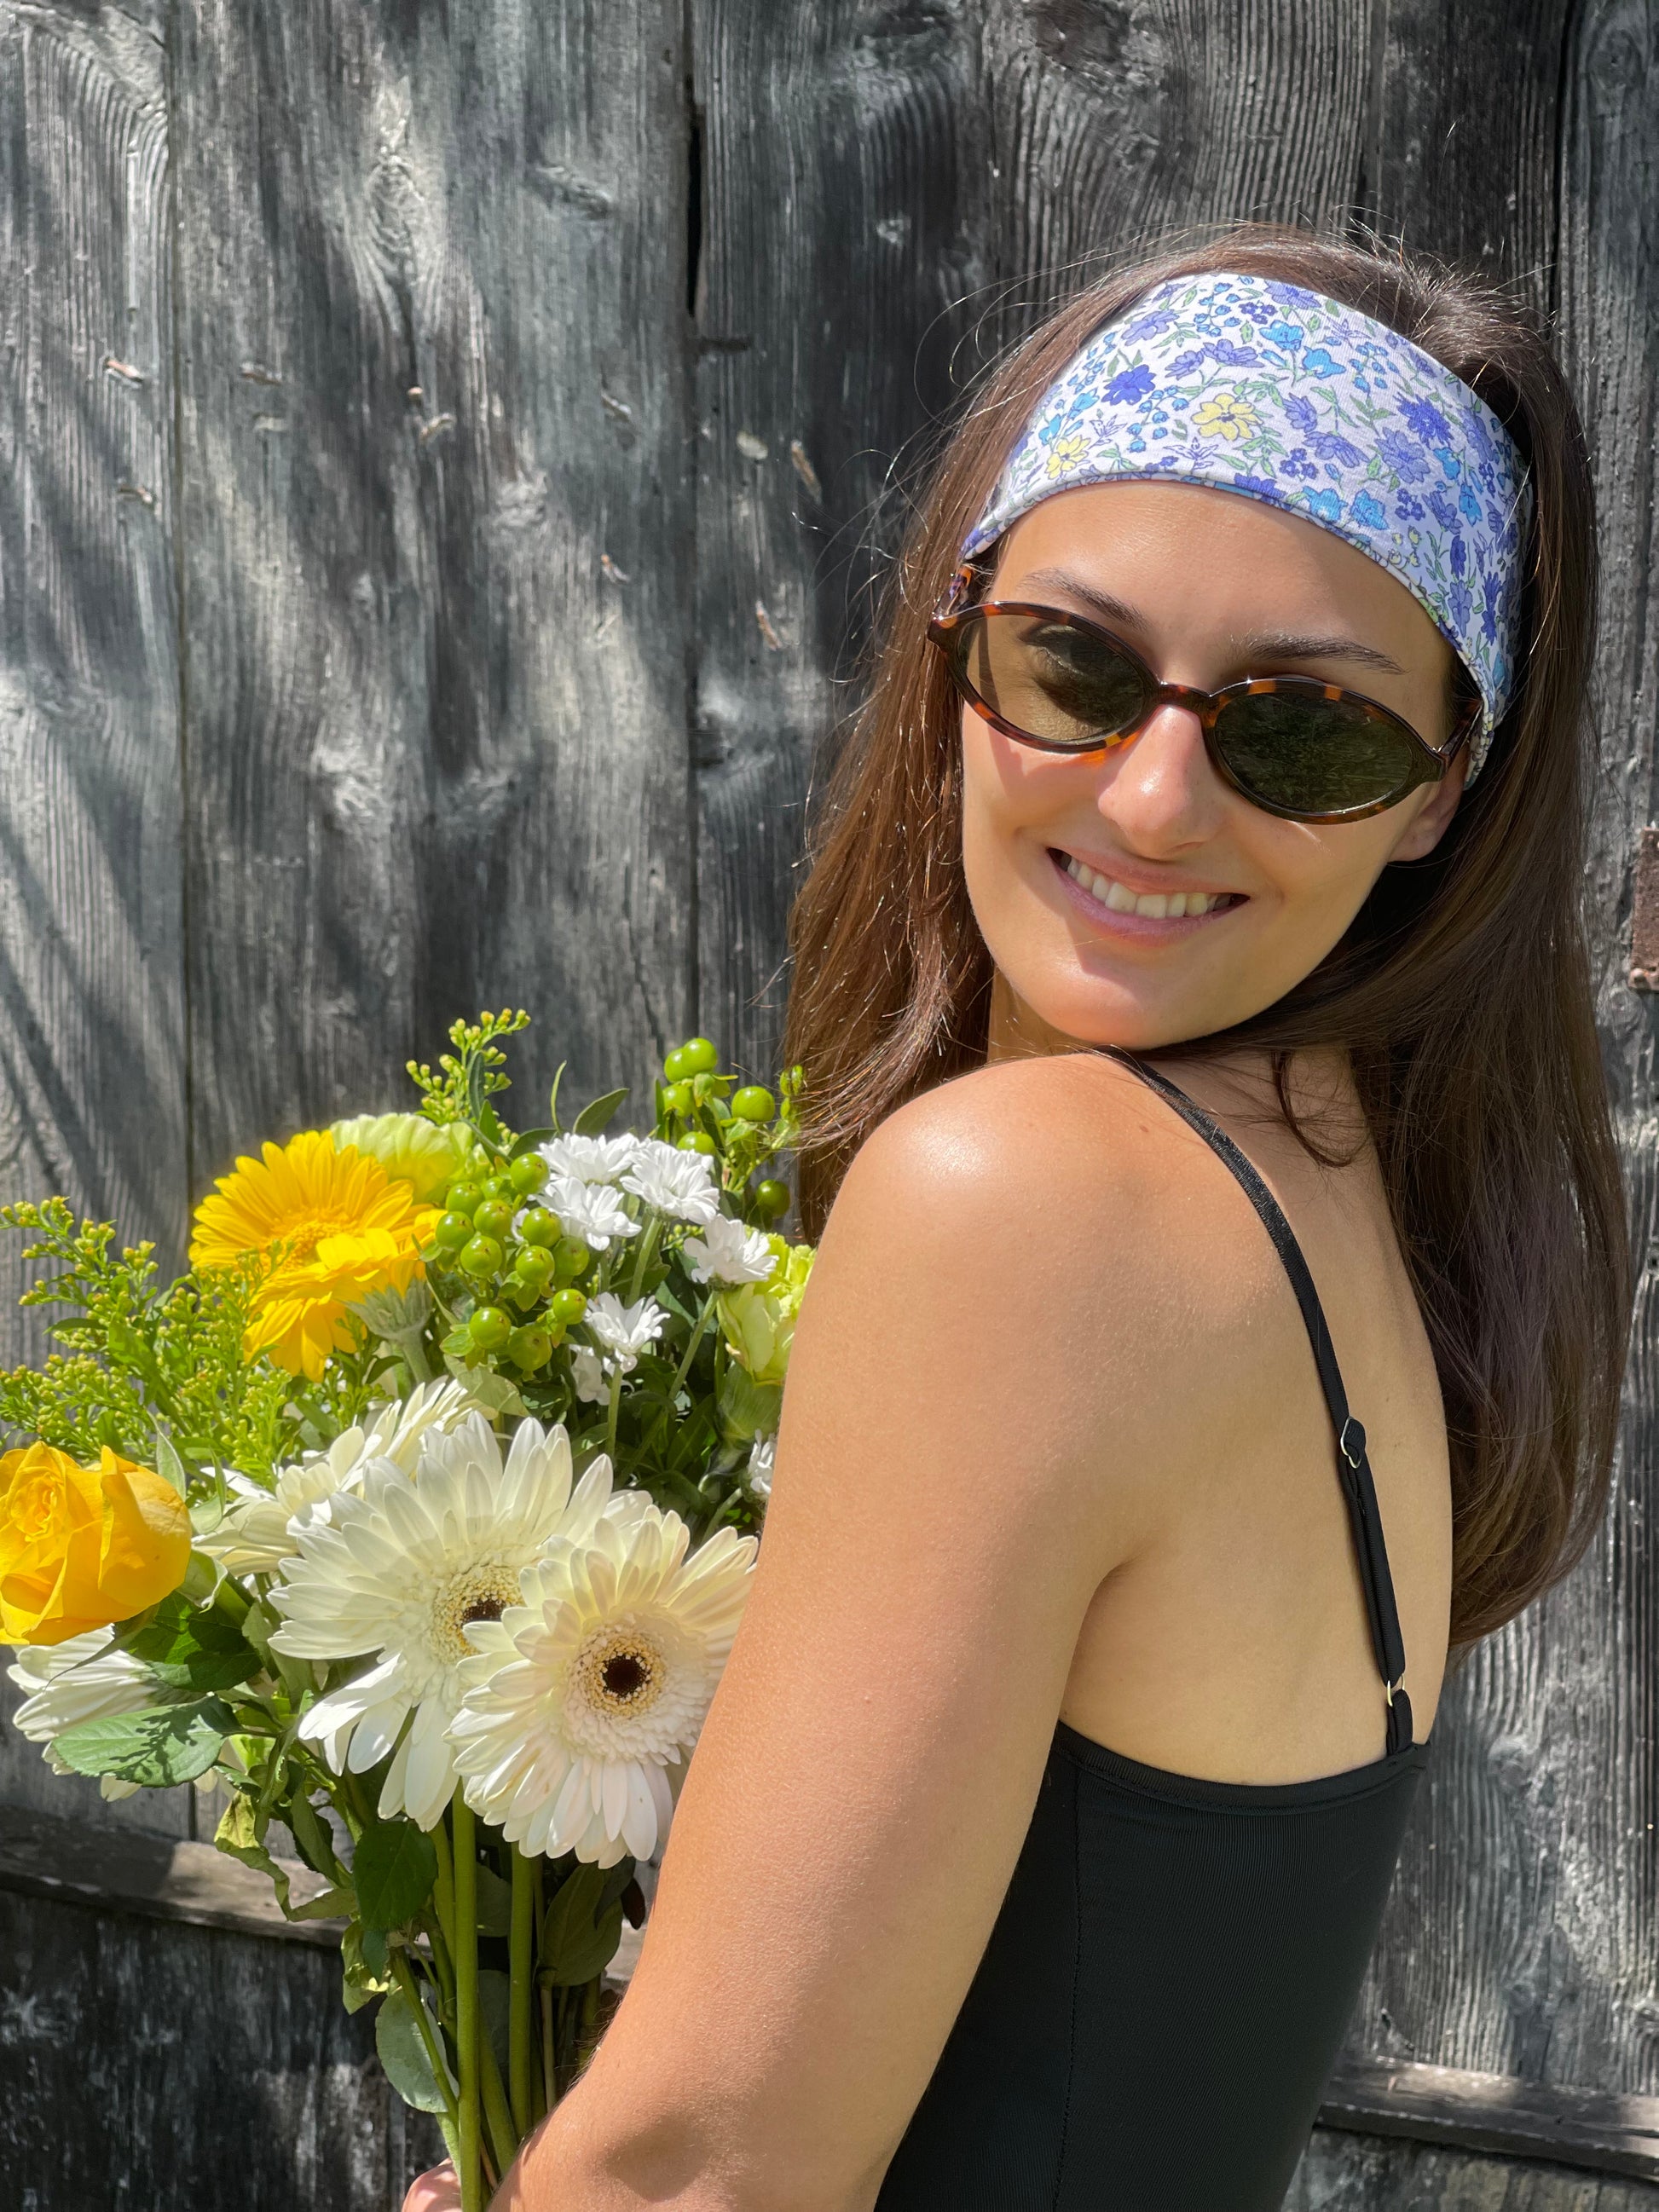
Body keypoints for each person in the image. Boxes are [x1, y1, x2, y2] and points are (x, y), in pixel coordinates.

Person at [405, 228, 1628, 2211]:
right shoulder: (1331, 1202)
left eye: (1304, 729)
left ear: (1438, 791)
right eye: (1073, 664)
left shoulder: (1036, 1207)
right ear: (957, 638)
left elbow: (713, 2169)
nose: (1149, 799)